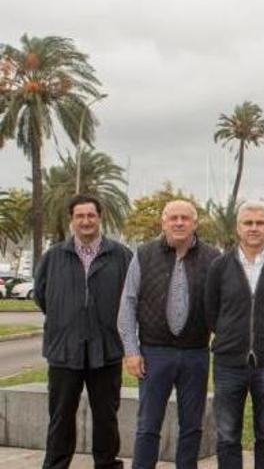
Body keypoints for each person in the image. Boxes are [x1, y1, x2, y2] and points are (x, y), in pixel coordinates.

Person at [117, 199, 220, 469]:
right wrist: (131, 351)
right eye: (172, 218)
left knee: (192, 426)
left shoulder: (213, 257)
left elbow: (225, 305)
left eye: (185, 218)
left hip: (196, 353)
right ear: (163, 222)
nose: (178, 223)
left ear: (195, 223)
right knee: (148, 425)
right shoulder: (144, 254)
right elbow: (127, 302)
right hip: (154, 353)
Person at [35, 195, 132, 469]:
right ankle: (55, 465)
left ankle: (106, 465)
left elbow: (131, 298)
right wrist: (65, 319)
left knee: (106, 417)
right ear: (72, 220)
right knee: (61, 416)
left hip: (107, 350)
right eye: (80, 216)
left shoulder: (122, 255)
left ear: (99, 218)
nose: (86, 221)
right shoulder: (53, 256)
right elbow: (42, 295)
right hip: (64, 351)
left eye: (91, 216)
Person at [204, 201, 264, 469]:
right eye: (248, 223)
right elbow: (211, 311)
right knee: (227, 433)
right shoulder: (220, 266)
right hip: (228, 363)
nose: (253, 228)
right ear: (238, 227)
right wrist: (229, 336)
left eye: (259, 223)